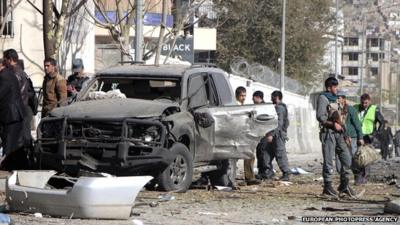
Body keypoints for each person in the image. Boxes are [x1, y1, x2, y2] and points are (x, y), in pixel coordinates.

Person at [316, 77, 356, 197]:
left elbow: (341, 118)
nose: (337, 89)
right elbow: (320, 117)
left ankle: (344, 185)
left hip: (340, 134)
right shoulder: (323, 98)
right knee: (328, 161)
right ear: (329, 88)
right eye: (335, 87)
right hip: (328, 133)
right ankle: (327, 186)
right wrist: (333, 124)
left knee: (347, 159)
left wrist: (345, 134)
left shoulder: (337, 99)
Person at [3, 49, 36, 168]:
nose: (3, 62)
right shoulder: (21, 72)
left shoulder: (14, 73)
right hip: (22, 111)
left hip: (17, 112)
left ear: (9, 59)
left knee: (19, 140)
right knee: (21, 139)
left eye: (4, 59)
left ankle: (24, 164)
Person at [0, 58, 26, 170]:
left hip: (11, 115)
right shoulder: (9, 74)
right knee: (14, 143)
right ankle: (21, 165)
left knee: (10, 143)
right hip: (13, 114)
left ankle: (11, 167)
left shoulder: (4, 76)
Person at [353, 93, 384, 185]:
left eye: (366, 103)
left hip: (368, 137)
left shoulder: (374, 109)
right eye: (362, 103)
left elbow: (381, 122)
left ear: (369, 101)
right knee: (356, 157)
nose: (364, 105)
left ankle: (364, 178)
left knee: (366, 158)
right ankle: (357, 178)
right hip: (357, 136)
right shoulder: (355, 108)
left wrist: (375, 134)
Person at [235, 86, 261, 185]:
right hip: (237, 133)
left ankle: (249, 177)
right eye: (241, 95)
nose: (243, 97)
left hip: (244, 133)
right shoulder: (235, 105)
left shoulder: (243, 105)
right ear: (237, 95)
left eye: (245, 95)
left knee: (249, 155)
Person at [334, 91, 364, 173]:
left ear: (343, 99)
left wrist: (360, 137)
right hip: (340, 136)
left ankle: (352, 173)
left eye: (339, 98)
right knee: (339, 154)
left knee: (352, 155)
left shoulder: (351, 109)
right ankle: (341, 172)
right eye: (336, 97)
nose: (337, 99)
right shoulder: (335, 109)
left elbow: (357, 124)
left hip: (351, 137)